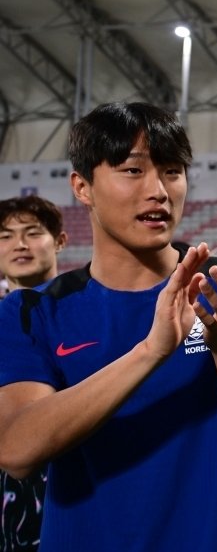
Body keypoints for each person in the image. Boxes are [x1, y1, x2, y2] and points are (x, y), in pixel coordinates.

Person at [0, 102, 217, 552]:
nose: (158, 189)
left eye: (172, 171)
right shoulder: (33, 310)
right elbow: (17, 449)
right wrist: (151, 350)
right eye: (132, 171)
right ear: (83, 187)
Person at [0, 196, 67, 552]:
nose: (19, 244)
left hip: (70, 492)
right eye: (5, 236)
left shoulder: (87, 315)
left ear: (59, 240)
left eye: (32, 233)